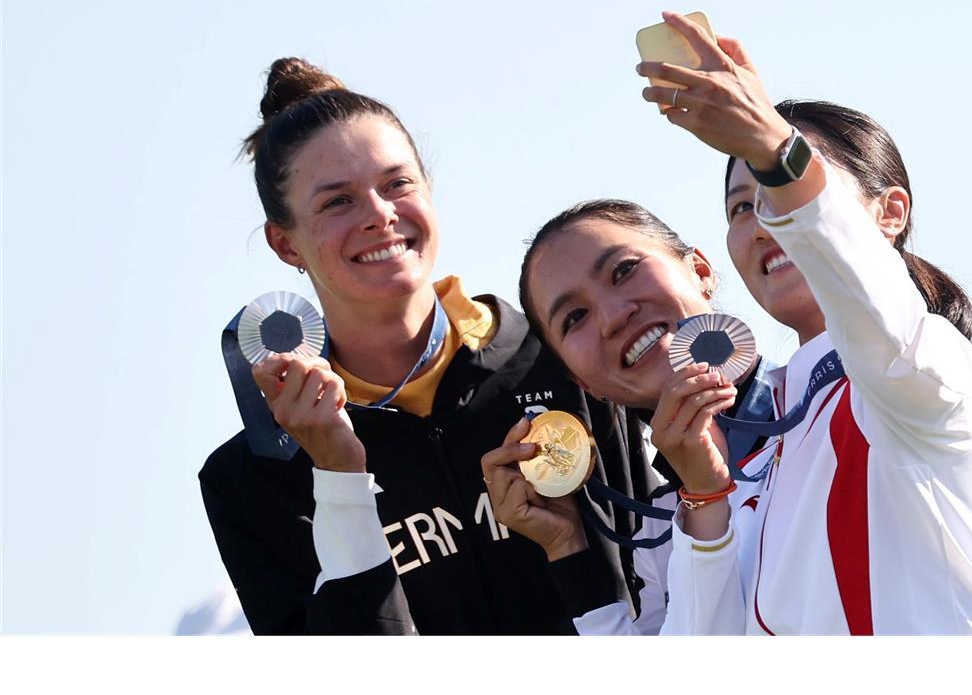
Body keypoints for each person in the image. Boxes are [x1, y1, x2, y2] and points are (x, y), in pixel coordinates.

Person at [199, 58, 657, 634]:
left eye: (397, 184)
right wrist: (339, 477)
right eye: (338, 202)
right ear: (284, 243)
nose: (380, 215)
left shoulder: (567, 359)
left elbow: (666, 588)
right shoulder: (257, 478)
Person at [625, 11, 972, 633]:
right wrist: (703, 495)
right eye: (740, 207)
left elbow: (873, 309)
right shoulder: (764, 444)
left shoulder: (922, 370)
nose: (762, 220)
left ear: (889, 212)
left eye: (773, 192)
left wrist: (772, 149)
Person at [482, 199, 776, 634]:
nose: (615, 315)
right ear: (584, 383)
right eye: (575, 317)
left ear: (700, 270)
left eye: (624, 270)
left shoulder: (837, 405)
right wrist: (567, 547)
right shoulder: (658, 523)